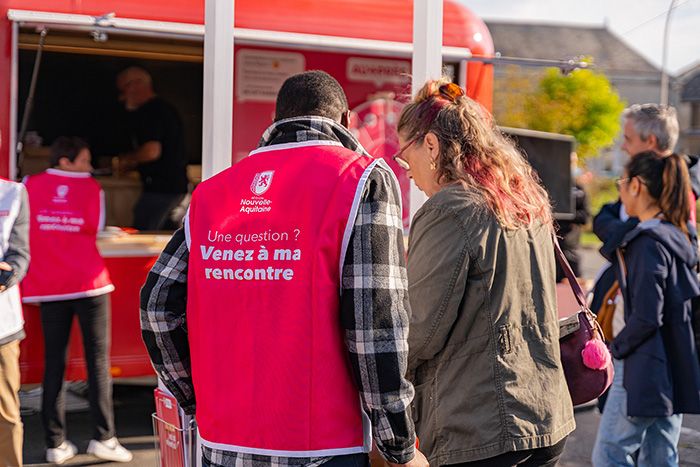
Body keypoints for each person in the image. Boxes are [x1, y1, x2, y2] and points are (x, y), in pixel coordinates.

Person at [141, 70, 428, 467]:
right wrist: (399, 445)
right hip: (323, 449)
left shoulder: (212, 192)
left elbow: (156, 306)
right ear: (346, 120)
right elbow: (376, 327)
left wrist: (195, 401)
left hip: (221, 444)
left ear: (275, 122)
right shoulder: (362, 179)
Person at [395, 78, 575, 466]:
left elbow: (419, 329)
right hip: (545, 413)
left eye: (403, 156)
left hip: (482, 426)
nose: (406, 170)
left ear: (431, 144)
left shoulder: (449, 208)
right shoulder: (524, 199)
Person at [22, 137, 132, 464]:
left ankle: (55, 444)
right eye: (83, 160)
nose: (88, 167)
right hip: (89, 285)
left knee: (53, 365)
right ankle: (105, 438)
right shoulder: (91, 188)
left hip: (48, 286)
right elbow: (95, 228)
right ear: (66, 161)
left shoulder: (29, 184)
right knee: (97, 363)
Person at [591, 151, 700, 466]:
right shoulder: (680, 235)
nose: (620, 190)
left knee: (609, 454)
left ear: (636, 185)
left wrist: (618, 350)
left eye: (621, 182)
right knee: (660, 455)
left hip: (642, 362)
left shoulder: (646, 242)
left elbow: (647, 316)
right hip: (675, 361)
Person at [116, 66, 189, 230]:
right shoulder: (162, 109)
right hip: (171, 189)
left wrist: (128, 159)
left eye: (124, 89)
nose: (122, 96)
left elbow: (151, 151)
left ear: (136, 85)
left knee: (145, 235)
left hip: (162, 190)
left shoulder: (152, 111)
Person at [0, 175, 30, 467]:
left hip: (2, 326)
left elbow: (20, 254)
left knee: (6, 414)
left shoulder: (13, 193)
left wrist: (9, 274)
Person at [555, 153, 591, 282]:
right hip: (550, 247)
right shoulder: (551, 186)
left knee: (571, 290)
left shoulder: (579, 190)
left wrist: (567, 214)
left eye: (573, 162)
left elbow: (585, 217)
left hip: (570, 248)